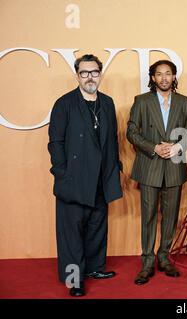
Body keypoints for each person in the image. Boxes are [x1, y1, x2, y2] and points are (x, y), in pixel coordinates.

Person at [48, 54, 123, 297]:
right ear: (77, 75)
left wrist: (115, 169)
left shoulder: (108, 103)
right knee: (71, 233)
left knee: (96, 227)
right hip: (73, 179)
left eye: (94, 72)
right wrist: (62, 173)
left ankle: (94, 268)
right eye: (84, 73)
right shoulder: (64, 104)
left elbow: (112, 139)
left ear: (100, 74)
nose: (90, 77)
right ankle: (74, 278)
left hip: (102, 178)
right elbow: (56, 143)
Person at [127, 60, 187, 285]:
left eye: (168, 74)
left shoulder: (184, 102)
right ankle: (147, 262)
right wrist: (154, 147)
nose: (164, 78)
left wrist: (176, 147)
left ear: (174, 77)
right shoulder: (142, 101)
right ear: (153, 78)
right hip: (150, 165)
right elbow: (132, 132)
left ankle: (164, 257)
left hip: (174, 165)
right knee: (148, 216)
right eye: (159, 74)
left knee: (171, 216)